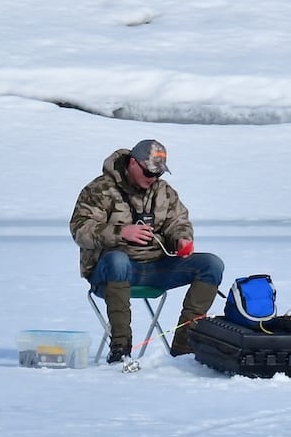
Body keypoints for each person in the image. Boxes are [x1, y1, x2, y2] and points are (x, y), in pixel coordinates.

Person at [70, 139, 225, 364]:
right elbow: (79, 229)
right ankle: (121, 346)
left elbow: (179, 222)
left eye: (157, 174)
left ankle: (185, 345)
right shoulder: (99, 190)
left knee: (211, 265)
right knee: (118, 260)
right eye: (148, 172)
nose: (152, 178)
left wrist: (182, 239)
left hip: (155, 266)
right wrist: (121, 232)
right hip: (110, 271)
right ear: (133, 163)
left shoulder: (164, 192)